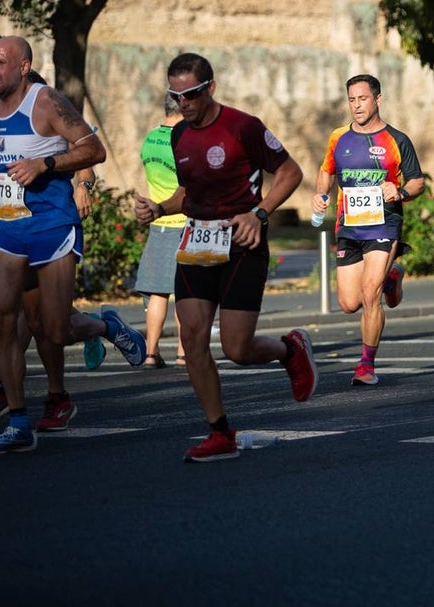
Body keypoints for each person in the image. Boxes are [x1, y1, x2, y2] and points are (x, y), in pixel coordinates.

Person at [0, 36, 146, 455]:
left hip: (52, 227)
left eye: (0, 62)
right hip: (8, 226)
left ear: (23, 66)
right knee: (2, 320)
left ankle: (106, 326)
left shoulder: (46, 102)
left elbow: (94, 149)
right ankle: (19, 421)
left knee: (54, 330)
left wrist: (46, 164)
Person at [134, 52, 314, 463]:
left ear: (210, 88)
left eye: (192, 94)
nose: (185, 103)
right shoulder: (178, 136)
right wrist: (160, 209)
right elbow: (189, 193)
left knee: (236, 347)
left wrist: (259, 213)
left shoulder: (243, 127)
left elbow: (290, 172)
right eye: (176, 96)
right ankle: (220, 433)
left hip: (242, 243)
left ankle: (290, 350)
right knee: (192, 337)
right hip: (196, 241)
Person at [311, 73, 424, 387]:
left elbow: (417, 182)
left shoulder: (396, 140)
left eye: (362, 99)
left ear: (378, 99)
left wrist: (399, 193)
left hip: (384, 224)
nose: (357, 106)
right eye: (352, 99)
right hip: (349, 226)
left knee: (369, 293)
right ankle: (392, 276)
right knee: (349, 303)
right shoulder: (338, 137)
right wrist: (321, 195)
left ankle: (366, 365)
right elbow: (326, 172)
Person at [134, 92, 187, 367]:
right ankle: (182, 351)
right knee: (184, 292)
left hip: (158, 225)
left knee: (158, 292)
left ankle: (151, 352)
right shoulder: (183, 140)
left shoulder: (150, 139)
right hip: (182, 220)